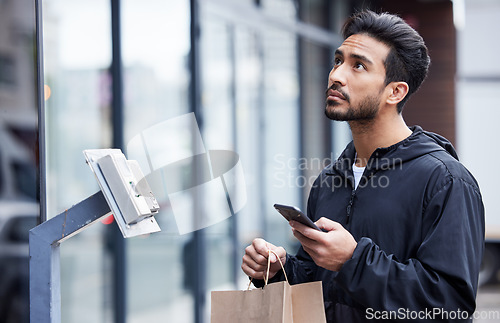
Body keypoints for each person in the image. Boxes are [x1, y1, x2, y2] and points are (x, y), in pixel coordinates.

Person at [241, 10, 484, 323]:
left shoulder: (445, 180)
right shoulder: (329, 180)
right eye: (338, 60)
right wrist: (279, 268)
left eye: (358, 65)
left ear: (395, 92)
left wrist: (353, 261)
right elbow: (320, 282)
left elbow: (450, 304)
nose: (336, 75)